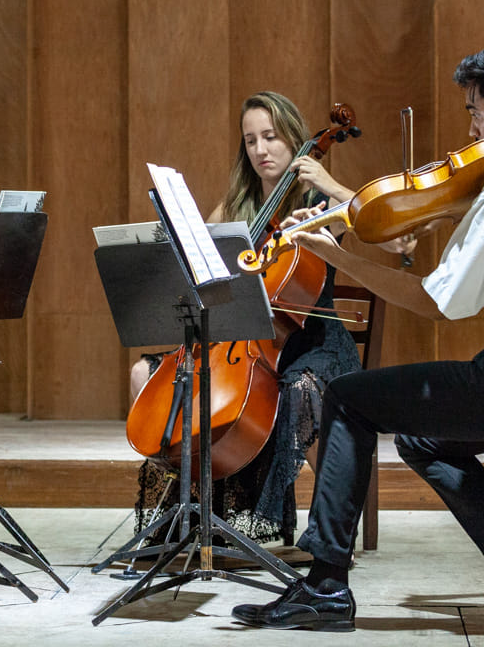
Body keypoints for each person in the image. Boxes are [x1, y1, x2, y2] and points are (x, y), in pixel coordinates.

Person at [230, 39, 484, 632]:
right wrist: (456, 212)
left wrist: (333, 251)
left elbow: (436, 301)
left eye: (475, 113)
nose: (469, 133)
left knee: (349, 398)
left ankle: (325, 586)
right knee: (422, 439)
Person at [129, 91, 408, 548]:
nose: (261, 150)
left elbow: (397, 238)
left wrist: (333, 184)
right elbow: (200, 272)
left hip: (311, 345)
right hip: (238, 347)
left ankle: (328, 534)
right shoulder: (237, 205)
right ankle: (191, 515)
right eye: (251, 140)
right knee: (152, 373)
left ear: (294, 140)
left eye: (272, 138)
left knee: (298, 391)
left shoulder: (319, 203)